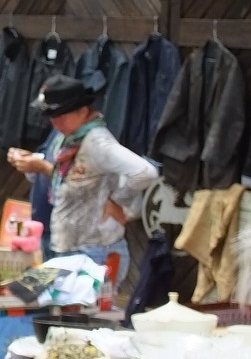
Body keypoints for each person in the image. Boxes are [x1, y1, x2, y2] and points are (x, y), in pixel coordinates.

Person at [25, 75, 159, 283]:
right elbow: (68, 180)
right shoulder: (69, 139)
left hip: (93, 251)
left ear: (83, 111)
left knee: (83, 312)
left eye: (61, 116)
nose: (55, 123)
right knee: (33, 295)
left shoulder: (97, 142)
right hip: (66, 246)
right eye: (52, 117)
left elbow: (145, 171)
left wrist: (117, 201)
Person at [7, 128, 63, 258]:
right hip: (44, 225)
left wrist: (42, 166)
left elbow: (72, 178)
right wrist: (28, 159)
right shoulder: (57, 130)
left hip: (66, 231)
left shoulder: (87, 138)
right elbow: (45, 156)